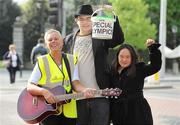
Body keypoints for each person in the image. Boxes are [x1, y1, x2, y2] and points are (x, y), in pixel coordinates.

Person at [63, 4, 124, 125]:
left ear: (93, 20)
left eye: (88, 18)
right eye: (81, 19)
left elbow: (118, 39)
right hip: (77, 96)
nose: (85, 22)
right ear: (76, 20)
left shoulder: (100, 35)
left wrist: (114, 17)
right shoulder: (68, 40)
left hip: (99, 94)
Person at [27, 29, 94, 125]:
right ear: (46, 44)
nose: (53, 41)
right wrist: (44, 92)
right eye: (50, 40)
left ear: (62, 42)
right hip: (48, 112)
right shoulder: (42, 61)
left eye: (56, 39)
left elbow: (75, 83)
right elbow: (30, 86)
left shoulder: (71, 59)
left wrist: (84, 90)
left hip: (69, 111)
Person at [109, 39, 162, 125]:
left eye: (127, 57)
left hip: (138, 112)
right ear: (117, 56)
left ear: (132, 57)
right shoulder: (112, 71)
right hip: (119, 112)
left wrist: (153, 49)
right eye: (121, 56)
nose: (124, 59)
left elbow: (155, 66)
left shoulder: (139, 69)